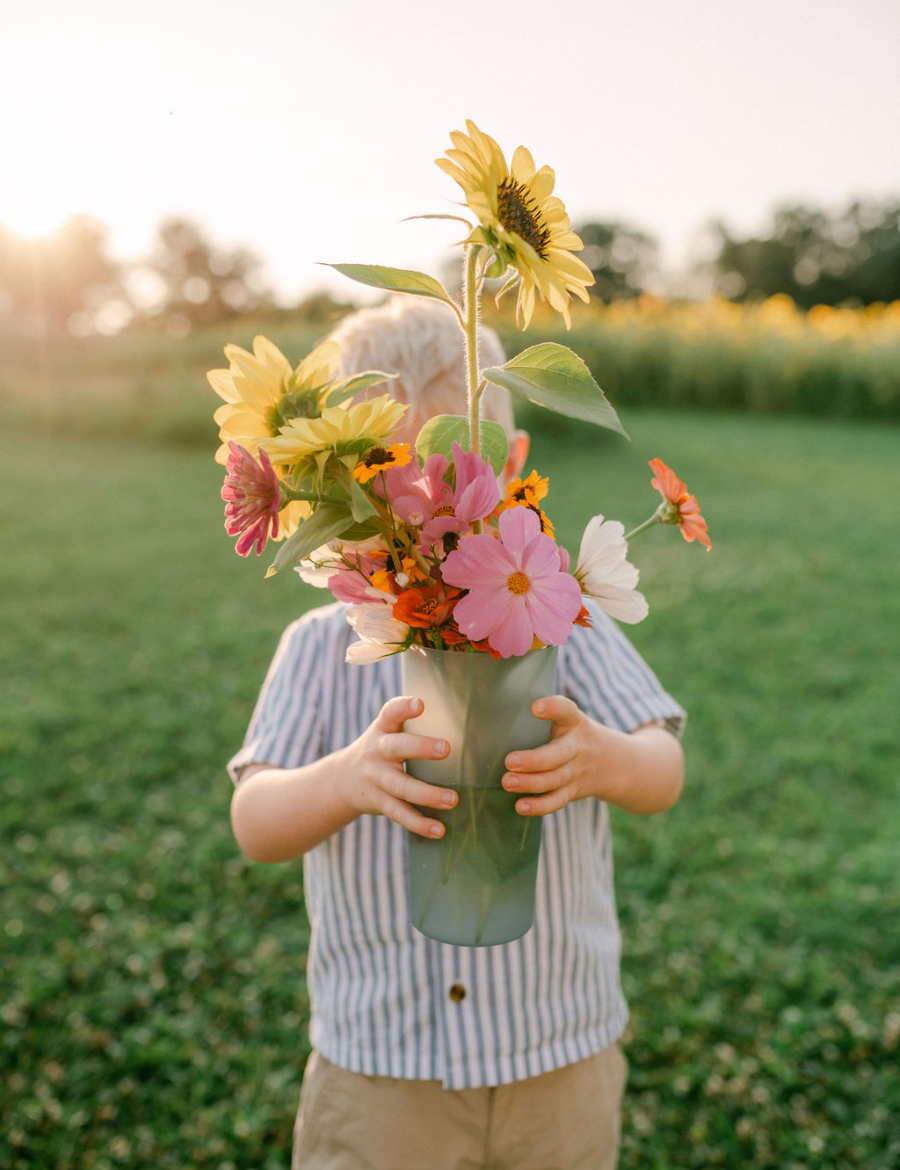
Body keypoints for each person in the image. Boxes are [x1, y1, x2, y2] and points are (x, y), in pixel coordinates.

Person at [227, 297, 686, 1170]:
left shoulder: (561, 616)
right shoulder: (323, 646)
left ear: (508, 466)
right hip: (384, 1069)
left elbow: (662, 767)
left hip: (557, 1050)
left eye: (445, 469)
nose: (419, 504)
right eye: (383, 475)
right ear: (334, 490)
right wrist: (347, 778)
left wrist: (604, 758)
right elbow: (256, 819)